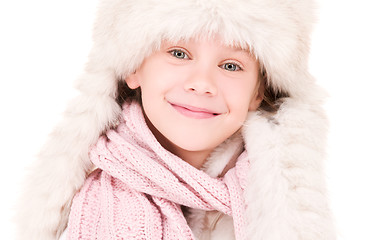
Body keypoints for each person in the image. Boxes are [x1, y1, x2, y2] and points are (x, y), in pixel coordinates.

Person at [15, 0, 336, 239]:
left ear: (257, 92)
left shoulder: (277, 207)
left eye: (231, 65)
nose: (202, 83)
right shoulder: (89, 204)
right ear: (133, 67)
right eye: (179, 54)